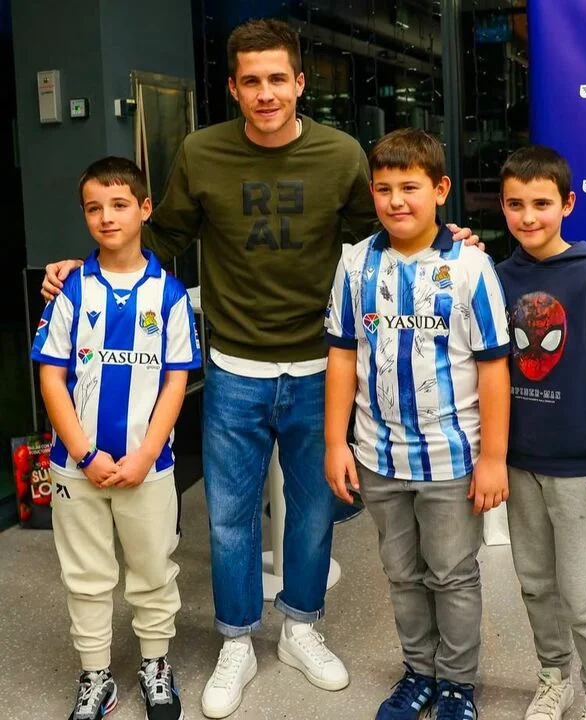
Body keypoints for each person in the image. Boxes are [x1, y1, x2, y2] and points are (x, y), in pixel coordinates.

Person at [40, 18, 478, 719]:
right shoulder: (202, 152)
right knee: (230, 518)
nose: (266, 92)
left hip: (319, 365)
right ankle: (237, 640)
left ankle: (301, 629)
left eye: (278, 79)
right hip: (235, 365)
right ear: (233, 89)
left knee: (312, 514)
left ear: (299, 83)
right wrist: (81, 265)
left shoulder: (339, 155)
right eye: (252, 81)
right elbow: (162, 233)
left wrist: (448, 239)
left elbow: (386, 230)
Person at [324, 128, 511, 720]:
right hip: (378, 455)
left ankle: (457, 683)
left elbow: (493, 367)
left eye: (410, 187)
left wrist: (493, 458)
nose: (396, 200)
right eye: (384, 189)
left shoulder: (472, 267)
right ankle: (419, 672)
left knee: (452, 574)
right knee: (402, 573)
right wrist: (336, 443)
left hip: (452, 458)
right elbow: (342, 355)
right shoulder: (356, 264)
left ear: (441, 190)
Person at [32, 156, 202, 720]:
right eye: (94, 208)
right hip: (75, 466)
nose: (107, 217)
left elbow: (176, 380)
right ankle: (96, 675)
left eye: (120, 204)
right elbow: (51, 378)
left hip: (146, 468)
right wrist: (85, 453)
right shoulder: (70, 291)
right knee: (86, 574)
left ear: (145, 208)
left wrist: (146, 453)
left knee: (153, 569)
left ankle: (155, 663)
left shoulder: (170, 296)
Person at [496, 145, 586, 720]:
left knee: (585, 595)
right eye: (515, 204)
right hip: (519, 464)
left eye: (541, 203)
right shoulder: (497, 278)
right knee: (536, 582)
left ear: (568, 204)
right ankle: (553, 675)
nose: (528, 216)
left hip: (578, 471)